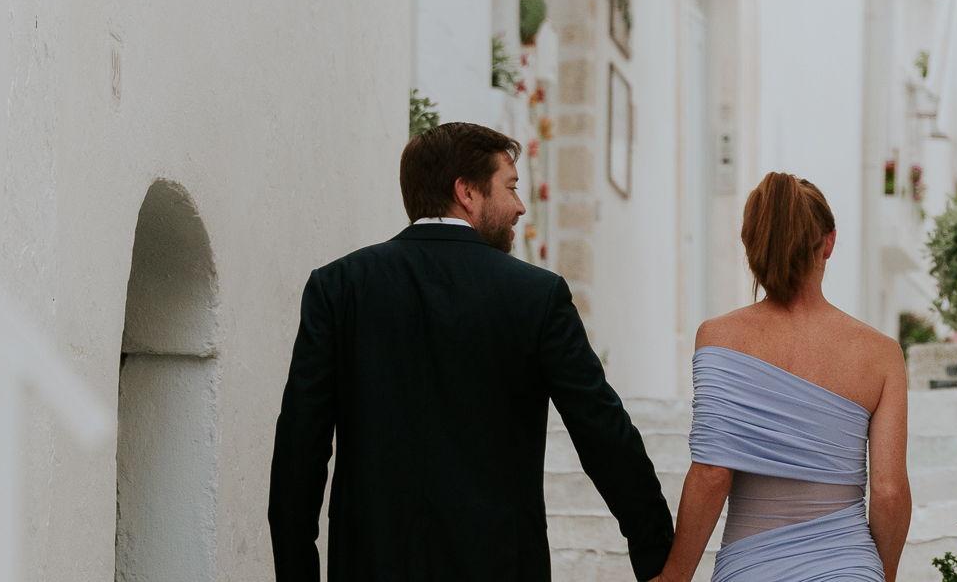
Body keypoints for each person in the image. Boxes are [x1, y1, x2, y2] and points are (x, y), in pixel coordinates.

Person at [267, 121, 675, 582]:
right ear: (466, 192)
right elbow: (602, 432)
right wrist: (659, 559)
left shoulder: (338, 287)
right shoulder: (535, 295)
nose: (521, 206)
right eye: (511, 187)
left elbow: (299, 450)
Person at [653, 172, 912, 582]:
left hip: (751, 568)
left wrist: (675, 575)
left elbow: (712, 474)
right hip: (849, 568)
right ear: (828, 243)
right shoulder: (881, 353)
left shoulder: (720, 338)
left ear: (749, 245)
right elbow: (889, 491)